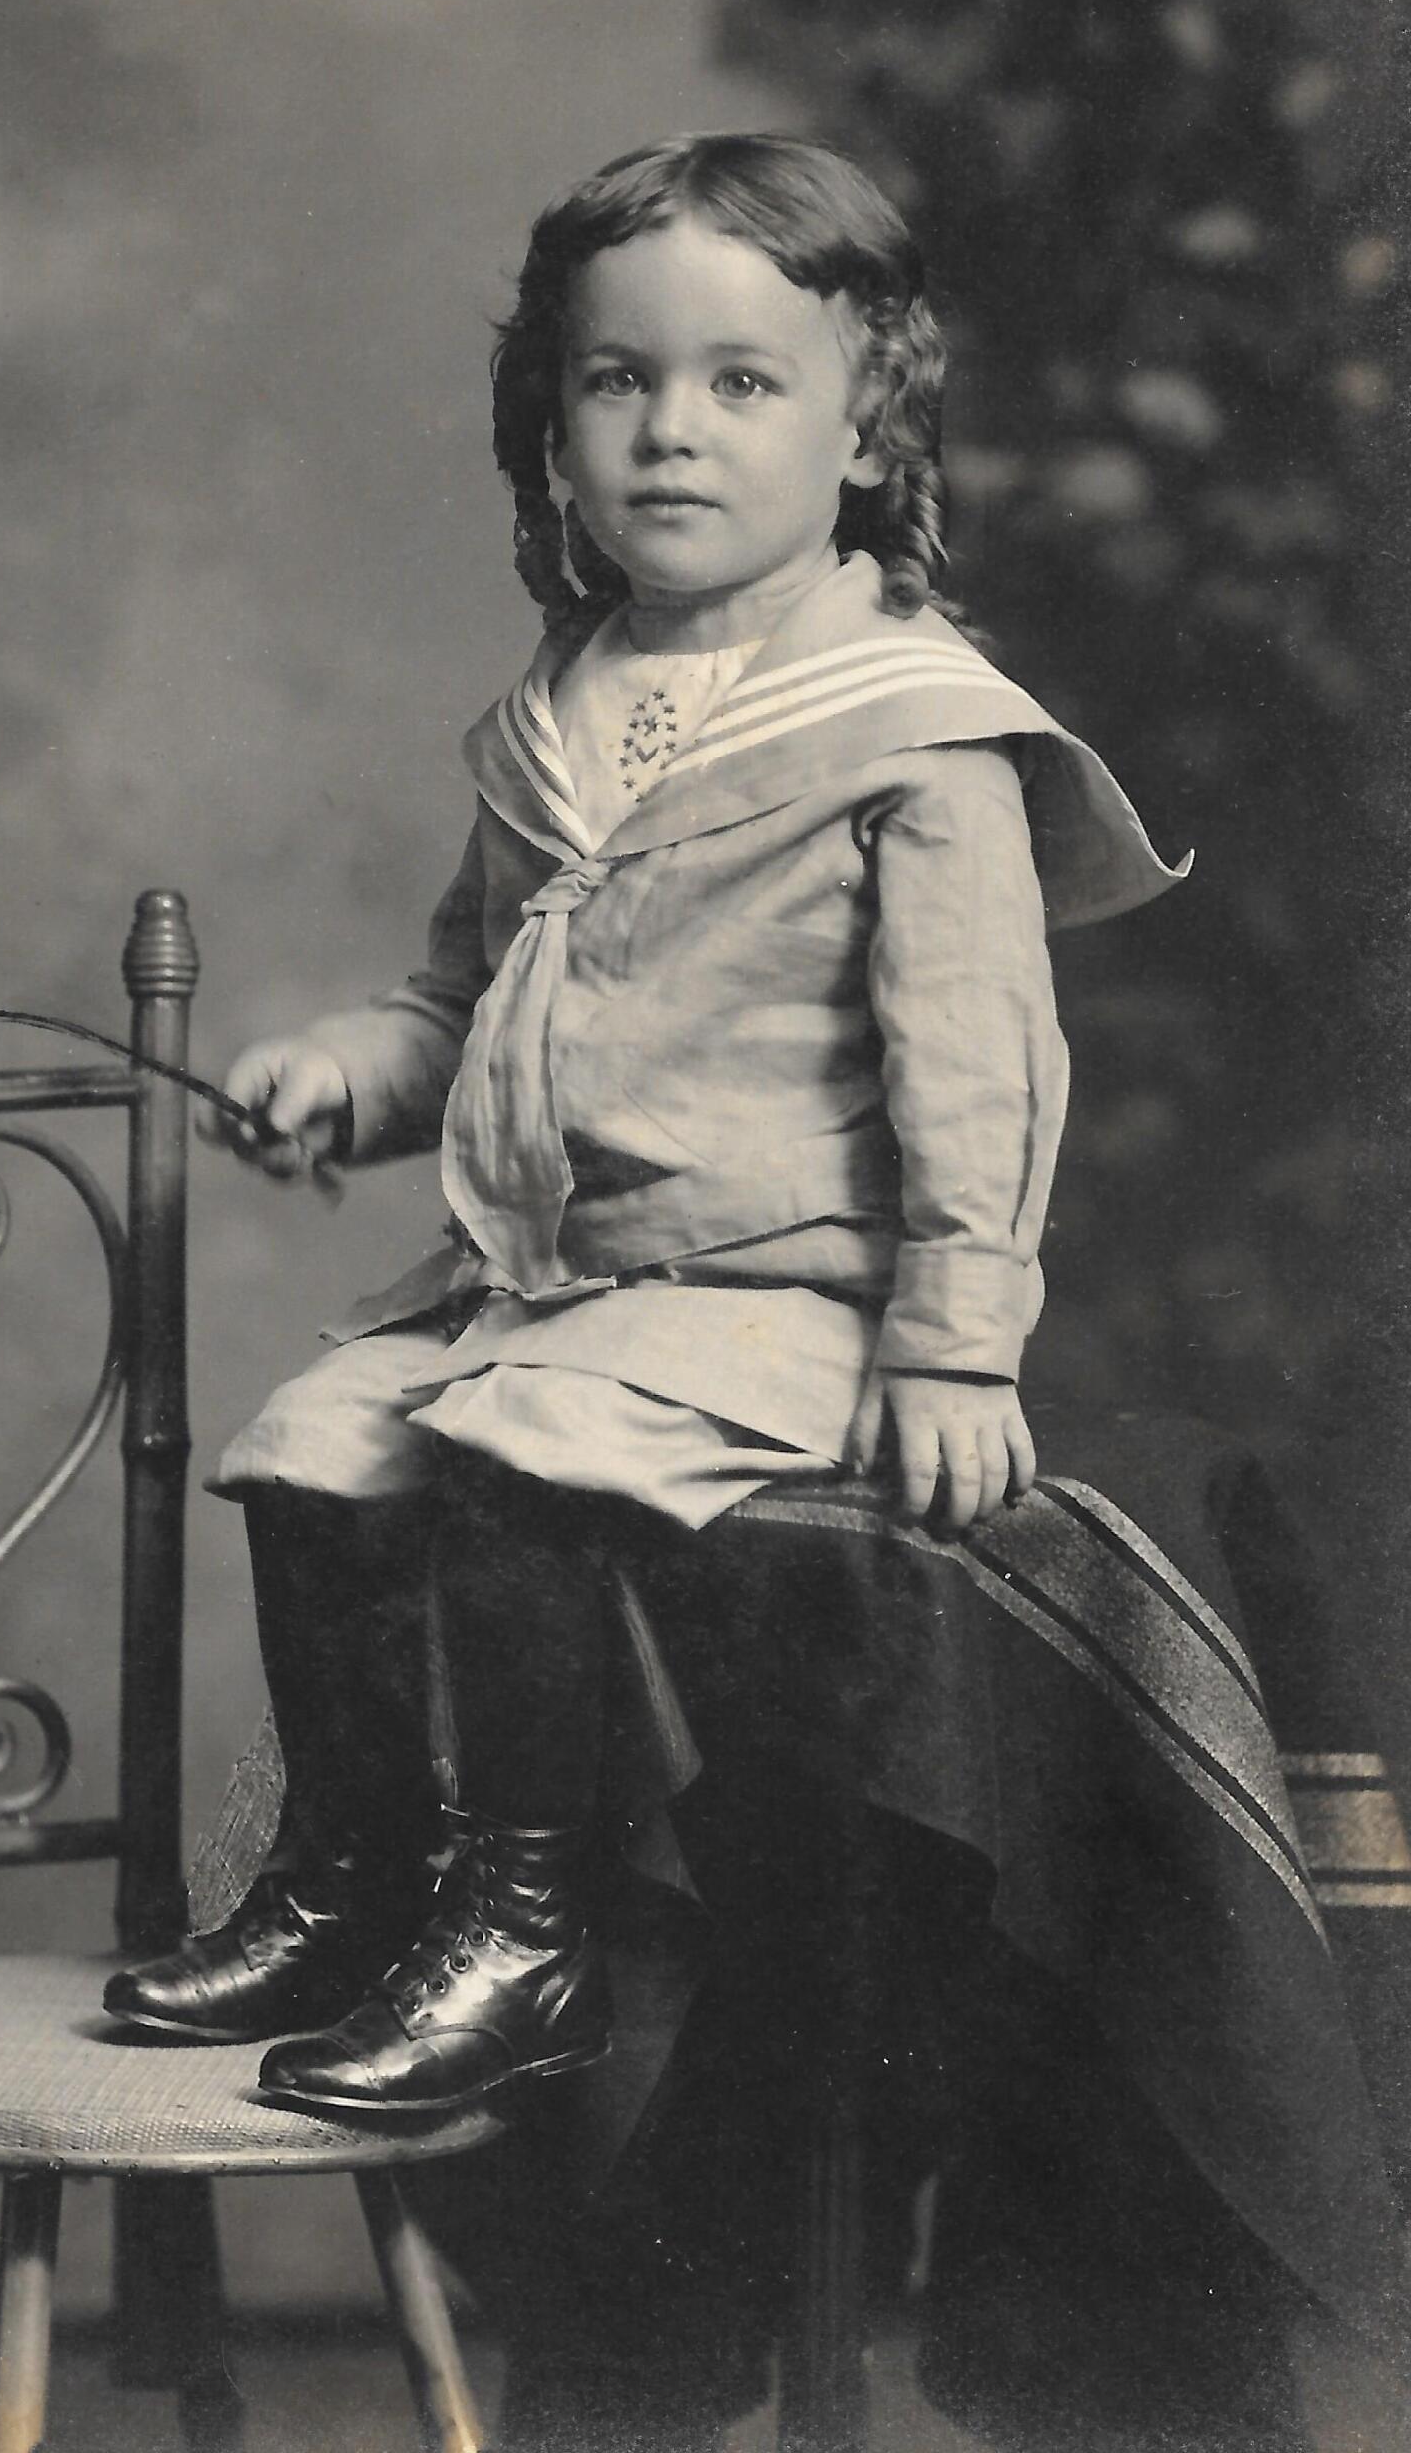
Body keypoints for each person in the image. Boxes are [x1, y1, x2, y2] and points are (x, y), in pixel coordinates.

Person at [101, 130, 1185, 2116]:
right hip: (547, 1292)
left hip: (780, 1297)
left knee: (512, 1448)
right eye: (620, 380)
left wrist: (957, 1344)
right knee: (311, 1448)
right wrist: (346, 1071)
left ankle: (526, 1935)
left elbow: (980, 1062)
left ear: (866, 428)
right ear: (553, 431)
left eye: (742, 381)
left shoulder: (909, 726)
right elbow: (463, 1002)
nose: (672, 430)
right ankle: (352, 1884)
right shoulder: (561, 709)